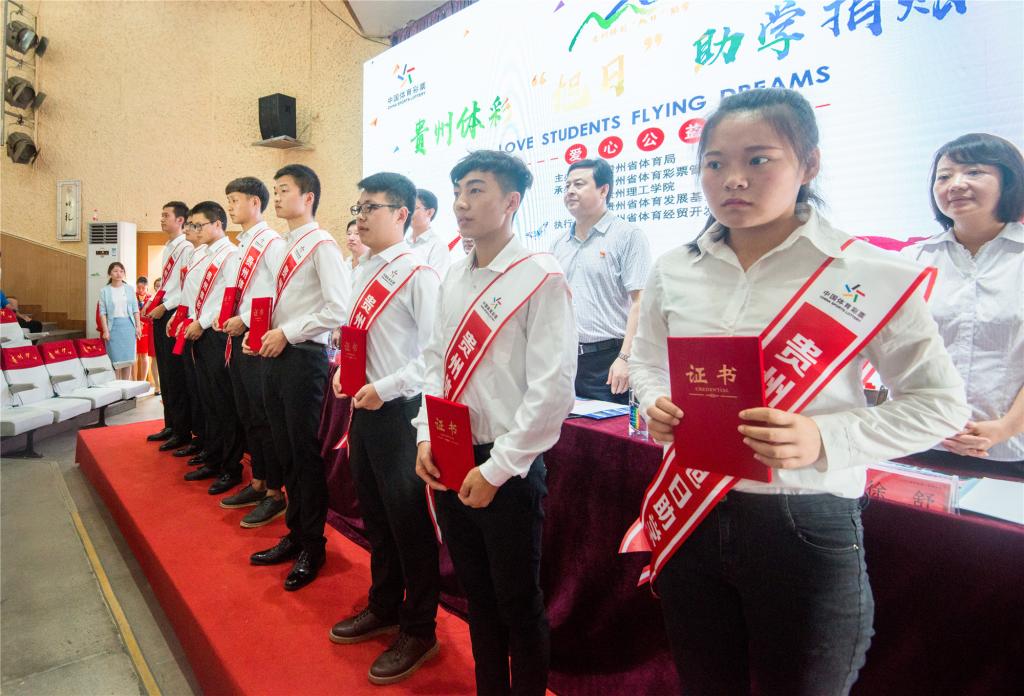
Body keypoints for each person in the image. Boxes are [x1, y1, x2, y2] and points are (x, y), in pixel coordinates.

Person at [629, 89, 969, 696]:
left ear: (809, 164)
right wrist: (654, 399)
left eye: (759, 159)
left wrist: (824, 436)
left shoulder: (867, 273)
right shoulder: (674, 267)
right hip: (692, 512)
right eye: (714, 163)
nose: (733, 179)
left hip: (805, 518)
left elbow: (940, 406)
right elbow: (648, 361)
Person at [414, 151, 577, 696]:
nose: (461, 203)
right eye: (458, 190)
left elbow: (552, 390)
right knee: (477, 598)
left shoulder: (539, 277)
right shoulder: (454, 273)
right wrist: (424, 433)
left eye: (476, 190)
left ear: (511, 201)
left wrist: (498, 469)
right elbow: (436, 360)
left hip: (508, 466)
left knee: (518, 602)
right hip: (451, 454)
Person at [328, 172, 441, 685]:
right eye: (358, 207)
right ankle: (384, 605)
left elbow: (435, 357)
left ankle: (420, 628)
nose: (360, 217)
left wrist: (387, 386)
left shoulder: (418, 274)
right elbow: (358, 339)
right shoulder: (362, 270)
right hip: (364, 409)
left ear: (401, 213)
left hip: (402, 414)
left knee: (408, 524)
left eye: (370, 207)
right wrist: (346, 373)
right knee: (376, 515)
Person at [246, 164, 351, 591]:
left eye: (284, 190)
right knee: (284, 449)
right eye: (275, 190)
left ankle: (313, 544)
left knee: (304, 455)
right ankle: (294, 532)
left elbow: (338, 308)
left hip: (304, 357)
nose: (277, 197)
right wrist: (260, 332)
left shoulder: (322, 245)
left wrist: (287, 333)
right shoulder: (283, 245)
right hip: (274, 354)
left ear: (308, 197)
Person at [902, 133, 1024, 471]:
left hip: (1011, 449)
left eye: (974, 172)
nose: (955, 184)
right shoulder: (911, 260)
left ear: (1009, 181)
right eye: (944, 176)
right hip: (919, 442)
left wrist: (1005, 427)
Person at [216, 176, 289, 528]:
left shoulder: (271, 243)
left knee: (263, 416)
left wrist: (245, 320)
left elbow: (277, 291)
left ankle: (275, 492)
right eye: (228, 200)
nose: (230, 207)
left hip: (258, 337)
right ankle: (258, 481)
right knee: (247, 414)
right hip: (239, 337)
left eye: (235, 200)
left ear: (255, 203)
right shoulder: (242, 244)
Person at [552, 158, 651, 404]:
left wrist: (625, 358)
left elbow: (640, 302)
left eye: (579, 184)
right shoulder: (558, 244)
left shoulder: (627, 236)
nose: (570, 191)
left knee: (609, 428)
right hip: (566, 361)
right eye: (567, 186)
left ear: (603, 190)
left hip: (609, 362)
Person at [179, 201, 244, 495]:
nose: (194, 230)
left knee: (223, 403)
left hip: (216, 334)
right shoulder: (203, 254)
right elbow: (198, 296)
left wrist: (202, 323)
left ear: (218, 224)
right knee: (208, 400)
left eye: (198, 225)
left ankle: (231, 467)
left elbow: (227, 299)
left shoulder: (229, 255)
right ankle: (214, 457)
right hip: (200, 331)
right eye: (191, 225)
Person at [144, 201, 194, 449]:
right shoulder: (168, 247)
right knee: (164, 372)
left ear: (180, 220)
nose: (162, 219)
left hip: (175, 312)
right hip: (162, 310)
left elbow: (185, 288)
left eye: (166, 215)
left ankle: (182, 430)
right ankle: (170, 424)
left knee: (175, 375)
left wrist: (165, 307)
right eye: (161, 214)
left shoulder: (186, 248)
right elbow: (166, 285)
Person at [170, 219, 208, 461]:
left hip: (203, 327)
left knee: (205, 393)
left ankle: (207, 443)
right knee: (193, 388)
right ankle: (198, 438)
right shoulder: (195, 254)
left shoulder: (213, 255)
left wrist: (198, 321)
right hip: (190, 322)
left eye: (194, 225)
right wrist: (178, 318)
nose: (187, 230)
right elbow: (189, 295)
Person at [98, 262, 142, 380]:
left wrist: (138, 326)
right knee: (115, 361)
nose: (119, 274)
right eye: (115, 271)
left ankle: (126, 385)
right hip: (113, 328)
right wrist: (105, 331)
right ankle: (117, 387)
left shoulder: (129, 289)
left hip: (128, 327)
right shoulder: (104, 291)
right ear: (110, 273)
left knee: (128, 360)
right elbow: (102, 312)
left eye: (121, 271)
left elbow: (135, 310)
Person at [406, 188, 451, 277]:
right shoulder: (404, 243)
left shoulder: (438, 246)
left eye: (414, 208)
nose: (408, 212)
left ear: (430, 212)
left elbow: (437, 282)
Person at [134, 276, 155, 386]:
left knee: (144, 355)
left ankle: (142, 382)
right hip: (135, 329)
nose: (141, 290)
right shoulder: (133, 297)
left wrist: (143, 322)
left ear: (147, 287)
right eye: (139, 288)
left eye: (143, 288)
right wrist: (137, 323)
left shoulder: (151, 299)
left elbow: (152, 316)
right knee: (134, 356)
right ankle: (133, 381)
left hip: (146, 330)